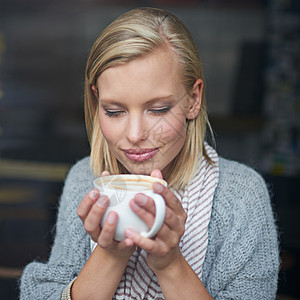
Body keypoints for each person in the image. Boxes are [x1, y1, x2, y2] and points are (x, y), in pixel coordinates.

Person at [20, 7, 279, 300]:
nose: (134, 135)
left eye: (157, 109)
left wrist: (170, 263)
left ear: (193, 100)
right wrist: (110, 255)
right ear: (96, 102)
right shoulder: (84, 179)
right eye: (114, 111)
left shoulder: (242, 195)